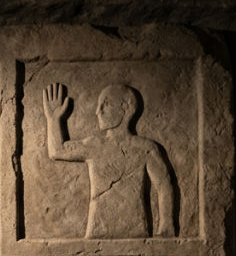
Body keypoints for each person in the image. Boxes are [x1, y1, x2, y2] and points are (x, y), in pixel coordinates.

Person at [42, 82, 176, 238]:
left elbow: (164, 184)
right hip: (97, 232)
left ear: (126, 108)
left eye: (106, 105)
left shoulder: (144, 148)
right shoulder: (95, 145)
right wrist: (53, 120)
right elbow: (57, 151)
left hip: (135, 233)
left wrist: (166, 228)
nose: (98, 111)